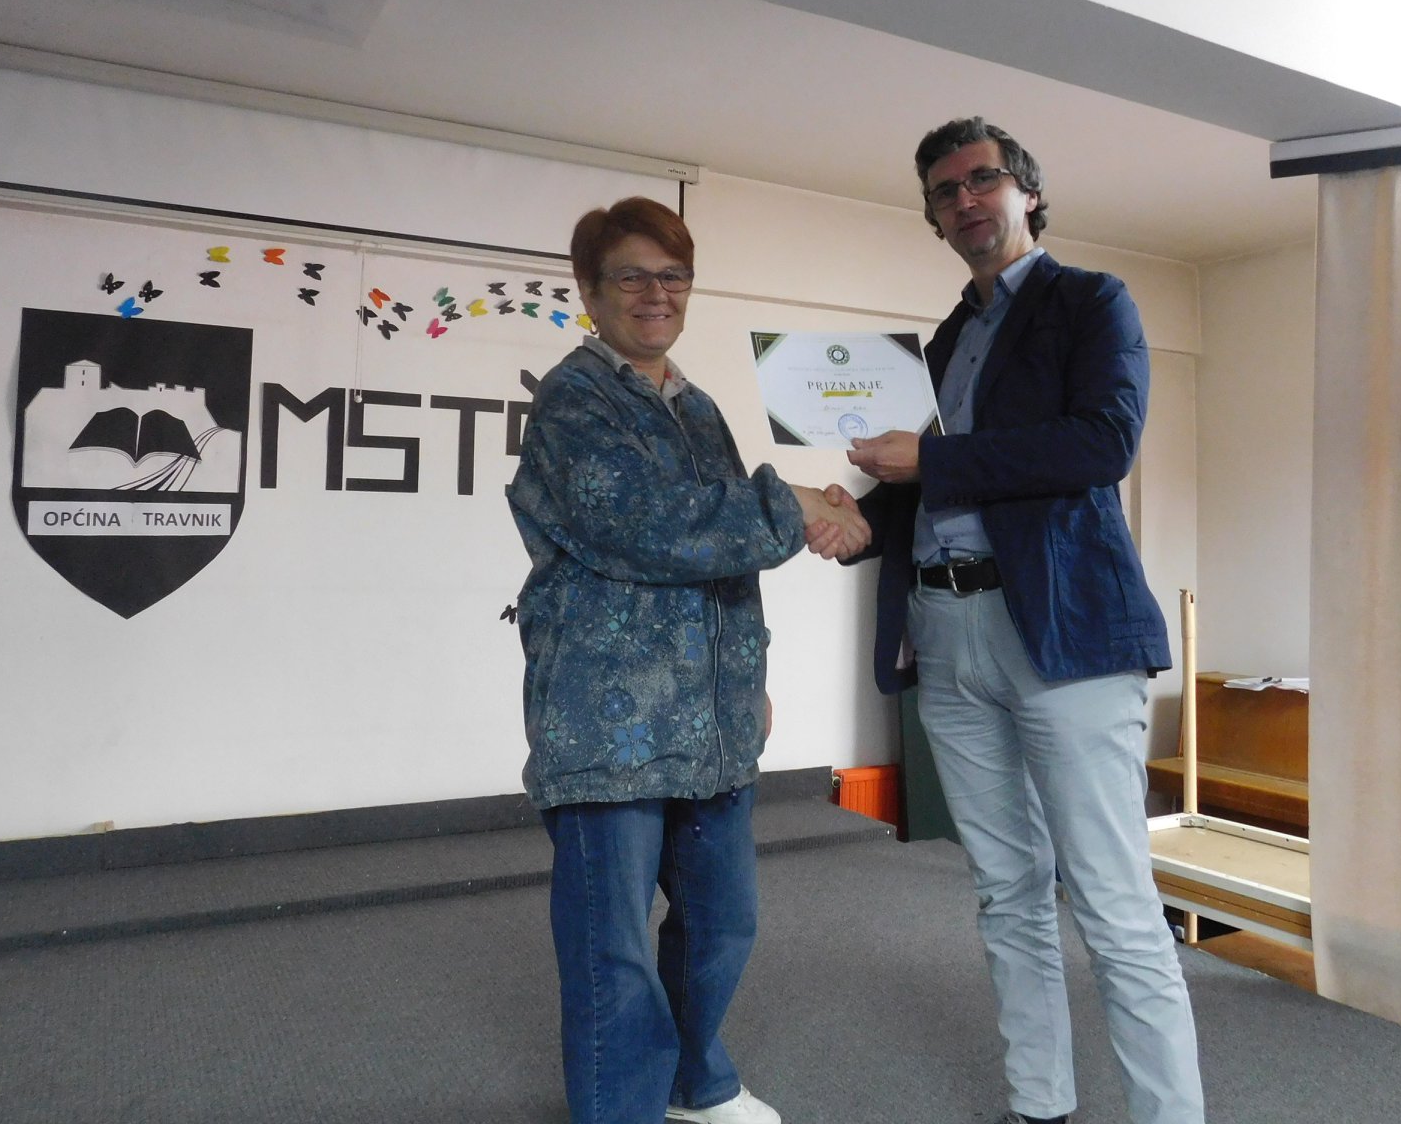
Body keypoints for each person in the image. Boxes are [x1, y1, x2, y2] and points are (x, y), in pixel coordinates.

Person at [841, 118, 1205, 1124]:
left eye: (982, 179)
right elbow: (923, 488)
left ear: (1027, 193)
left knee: (1114, 904)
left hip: (1065, 634)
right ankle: (1038, 1104)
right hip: (946, 633)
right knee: (1006, 893)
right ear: (932, 217)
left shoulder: (1092, 301)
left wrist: (929, 461)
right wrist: (844, 519)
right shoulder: (944, 342)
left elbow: (1102, 443)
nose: (964, 199)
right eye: (943, 191)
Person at [507, 196, 868, 1124]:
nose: (655, 293)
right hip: (608, 720)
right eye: (631, 275)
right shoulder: (572, 399)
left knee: (721, 921)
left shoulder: (696, 405)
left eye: (673, 275)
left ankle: (692, 1084)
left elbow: (722, 554)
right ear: (590, 290)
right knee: (613, 946)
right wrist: (796, 502)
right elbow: (650, 527)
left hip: (710, 717)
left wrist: (748, 681)